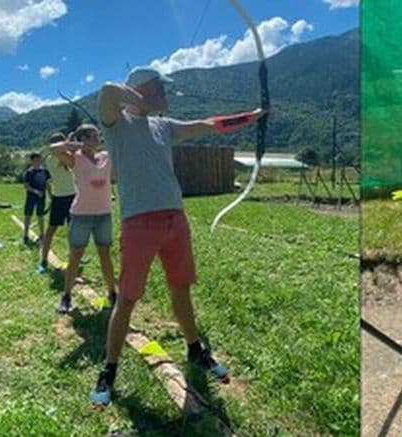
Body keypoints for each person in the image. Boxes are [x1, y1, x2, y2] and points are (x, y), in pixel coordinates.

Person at [90, 67, 267, 407]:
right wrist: (137, 98)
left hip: (175, 220)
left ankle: (195, 349)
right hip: (138, 224)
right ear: (144, 91)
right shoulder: (116, 126)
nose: (168, 96)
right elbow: (107, 90)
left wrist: (251, 116)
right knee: (127, 300)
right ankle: (109, 370)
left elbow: (209, 125)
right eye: (162, 90)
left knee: (180, 289)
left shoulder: (163, 126)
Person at [49, 124, 117, 314]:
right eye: (94, 136)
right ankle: (66, 296)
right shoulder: (75, 159)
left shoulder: (105, 157)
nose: (99, 139)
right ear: (84, 139)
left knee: (105, 256)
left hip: (104, 214)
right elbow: (53, 149)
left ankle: (113, 294)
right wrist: (77, 144)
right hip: (81, 215)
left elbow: (119, 145)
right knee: (75, 257)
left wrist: (89, 145)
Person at [38, 132, 76, 274]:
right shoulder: (51, 159)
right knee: (51, 231)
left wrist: (70, 140)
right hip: (59, 198)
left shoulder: (66, 156)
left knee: (74, 231)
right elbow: (66, 155)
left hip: (73, 197)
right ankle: (43, 260)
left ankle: (75, 257)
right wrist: (70, 140)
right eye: (62, 144)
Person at [23, 153, 51, 245]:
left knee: (40, 216)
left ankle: (42, 235)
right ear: (31, 161)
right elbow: (26, 186)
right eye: (35, 160)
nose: (38, 162)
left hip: (42, 198)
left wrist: (50, 195)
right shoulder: (29, 172)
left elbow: (47, 184)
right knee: (28, 215)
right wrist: (36, 192)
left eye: (39, 160)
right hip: (31, 197)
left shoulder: (45, 172)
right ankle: (25, 235)